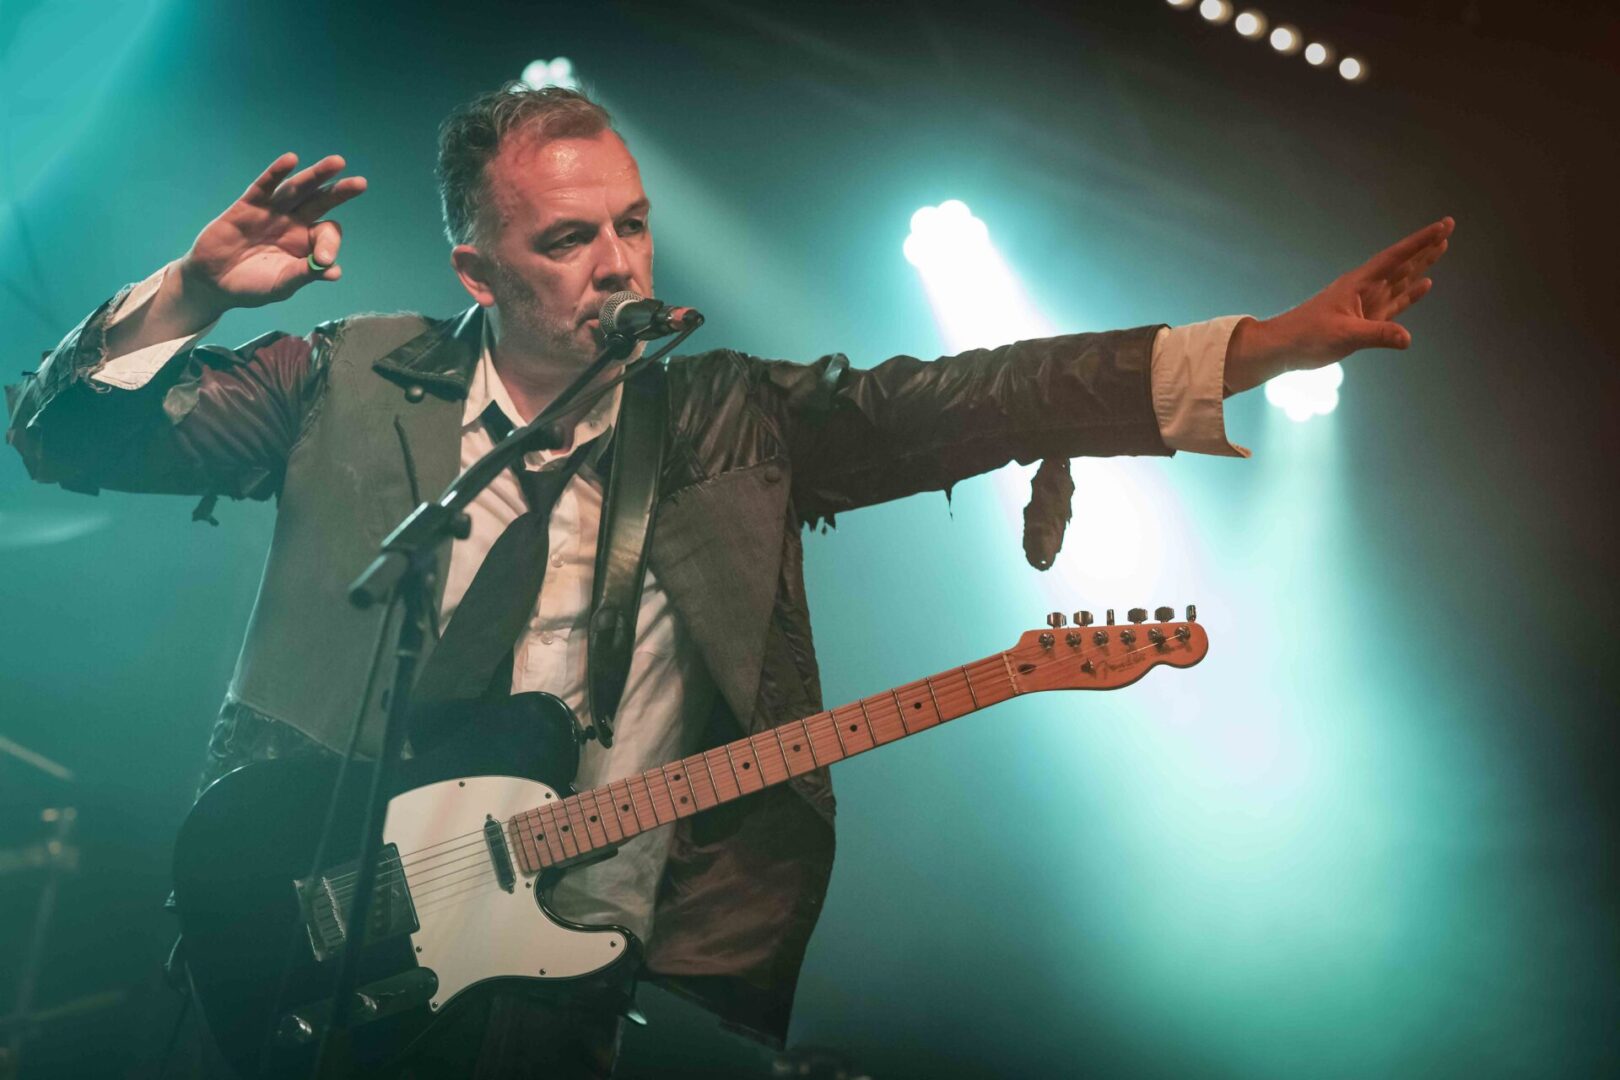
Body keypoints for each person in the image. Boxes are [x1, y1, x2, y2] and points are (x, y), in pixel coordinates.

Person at [4, 83, 1451, 1076]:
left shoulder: (730, 421)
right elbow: (66, 442)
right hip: (303, 916)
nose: (616, 262)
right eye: (566, 238)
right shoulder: (351, 375)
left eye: (630, 224)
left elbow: (973, 396)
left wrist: (1254, 349)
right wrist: (192, 294)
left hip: (579, 953)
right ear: (478, 269)